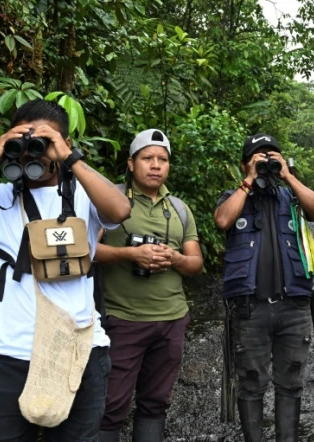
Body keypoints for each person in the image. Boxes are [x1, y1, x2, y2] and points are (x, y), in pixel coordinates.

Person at [0, 99, 131, 441]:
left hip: (79, 351)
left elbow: (120, 209)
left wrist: (67, 155)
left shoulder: (84, 195)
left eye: (43, 143)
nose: (30, 153)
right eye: (23, 143)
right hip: (9, 353)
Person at [214, 134, 314, 442]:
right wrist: (250, 180)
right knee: (251, 381)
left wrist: (288, 176)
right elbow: (222, 221)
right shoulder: (233, 196)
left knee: (291, 380)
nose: (266, 161)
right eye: (259, 157)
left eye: (272, 156)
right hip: (250, 307)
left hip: (294, 306)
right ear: (244, 163)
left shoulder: (290, 197)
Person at [96, 129, 203, 442]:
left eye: (163, 159)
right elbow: (85, 251)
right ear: (131, 163)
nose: (156, 165)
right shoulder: (109, 199)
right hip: (122, 320)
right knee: (109, 405)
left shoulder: (180, 209)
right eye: (147, 158)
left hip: (171, 319)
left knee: (155, 404)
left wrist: (173, 258)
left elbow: (196, 264)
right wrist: (131, 254)